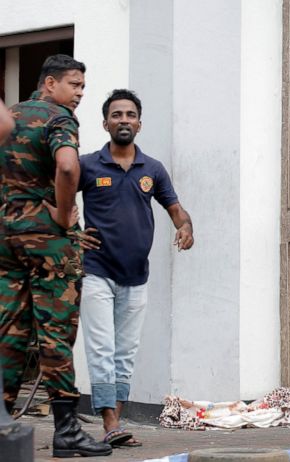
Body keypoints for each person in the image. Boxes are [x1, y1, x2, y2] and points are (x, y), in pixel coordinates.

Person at [0, 54, 112, 457]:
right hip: (48, 241)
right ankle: (66, 431)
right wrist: (65, 216)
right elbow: (67, 167)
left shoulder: (9, 115)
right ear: (49, 84)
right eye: (74, 85)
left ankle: (3, 422)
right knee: (56, 332)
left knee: (9, 331)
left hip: (7, 236)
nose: (80, 94)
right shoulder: (58, 117)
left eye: (82, 86)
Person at [76, 89, 193, 449]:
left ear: (139, 124)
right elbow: (56, 198)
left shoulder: (152, 169)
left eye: (129, 114)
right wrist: (71, 233)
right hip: (96, 271)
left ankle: (116, 423)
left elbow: (176, 209)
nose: (123, 120)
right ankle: (111, 425)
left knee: (125, 351)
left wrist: (186, 227)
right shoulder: (87, 165)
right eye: (116, 114)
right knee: (102, 348)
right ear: (105, 123)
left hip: (136, 276)